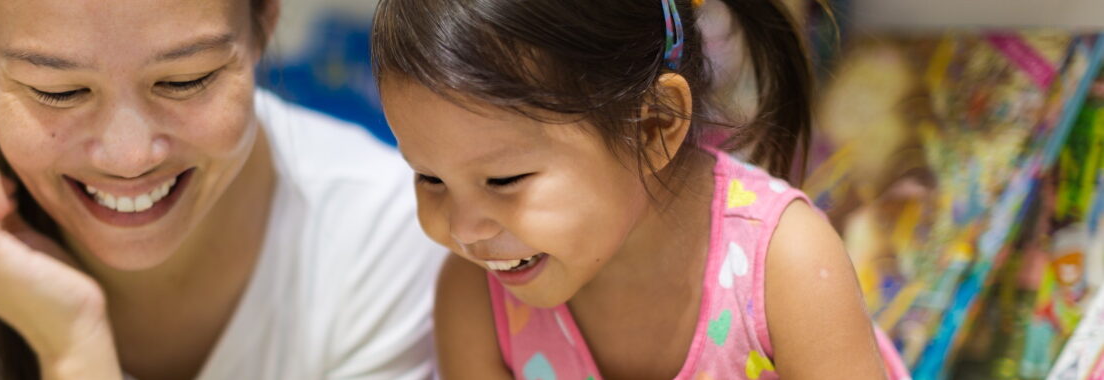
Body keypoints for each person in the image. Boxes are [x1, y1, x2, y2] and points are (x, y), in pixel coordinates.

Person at [0, 0, 444, 378]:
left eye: (185, 80)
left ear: (263, 23)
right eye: (58, 91)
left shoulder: (388, 232)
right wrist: (70, 342)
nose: (128, 157)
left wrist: (73, 352)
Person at [370, 0, 910, 378]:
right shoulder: (476, 300)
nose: (464, 230)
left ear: (654, 125)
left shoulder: (785, 266)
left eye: (505, 180)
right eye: (430, 178)